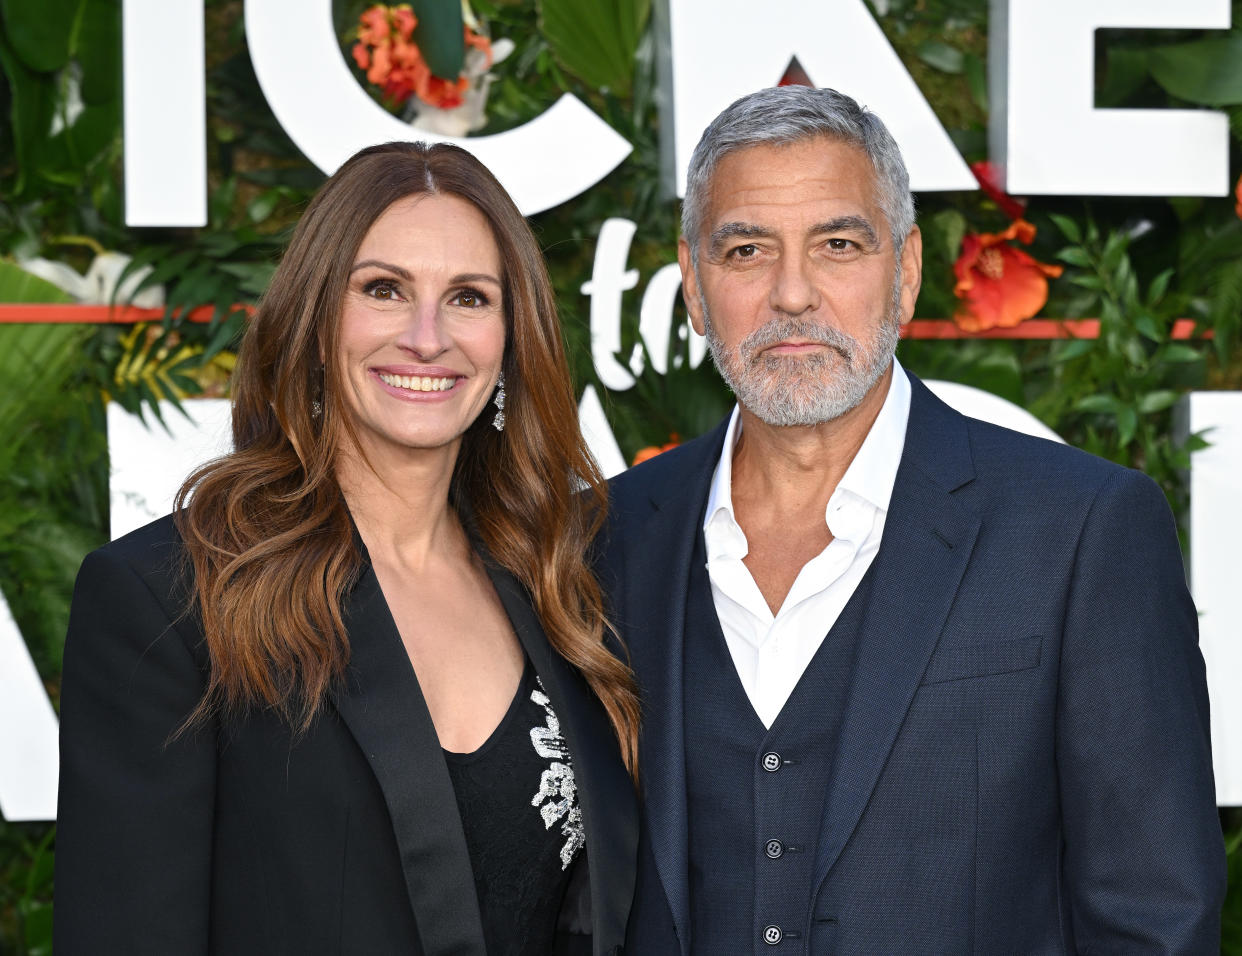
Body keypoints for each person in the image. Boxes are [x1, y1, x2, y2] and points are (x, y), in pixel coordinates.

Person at [598, 86, 1225, 954]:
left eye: (839, 244)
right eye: (745, 249)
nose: (791, 293)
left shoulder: (1080, 531)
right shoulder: (610, 535)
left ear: (907, 271)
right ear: (696, 289)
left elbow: (1155, 919)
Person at [55, 141, 638, 956]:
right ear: (316, 320)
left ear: (511, 339)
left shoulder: (561, 586)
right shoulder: (171, 600)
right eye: (384, 289)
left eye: (469, 297)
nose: (427, 337)